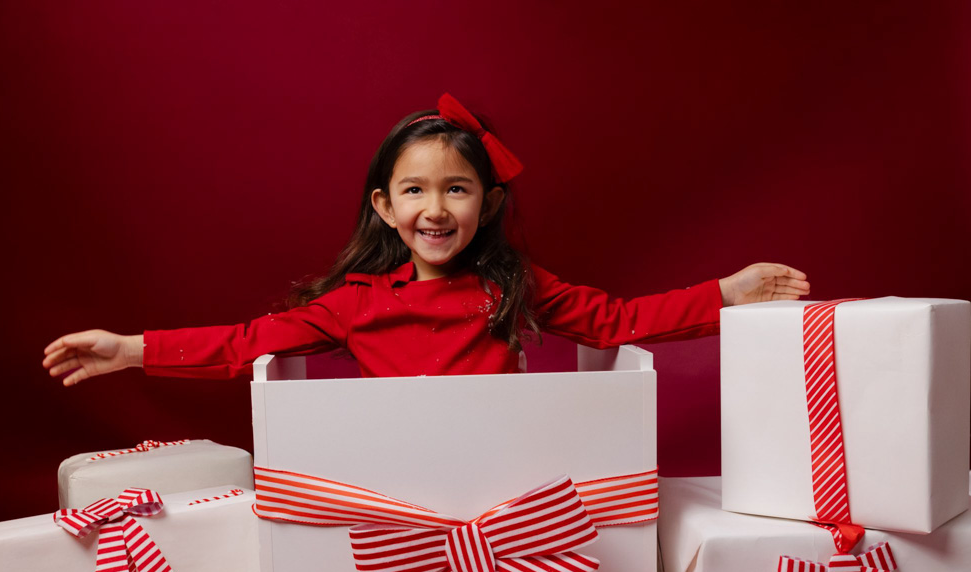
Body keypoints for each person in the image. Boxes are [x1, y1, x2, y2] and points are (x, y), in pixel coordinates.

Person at [43, 94, 809, 385]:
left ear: (488, 202)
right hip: (397, 487)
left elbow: (618, 321)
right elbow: (245, 343)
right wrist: (133, 348)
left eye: (456, 189)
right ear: (384, 206)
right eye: (415, 191)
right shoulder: (357, 304)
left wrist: (725, 294)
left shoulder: (512, 285)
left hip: (508, 486)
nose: (435, 210)